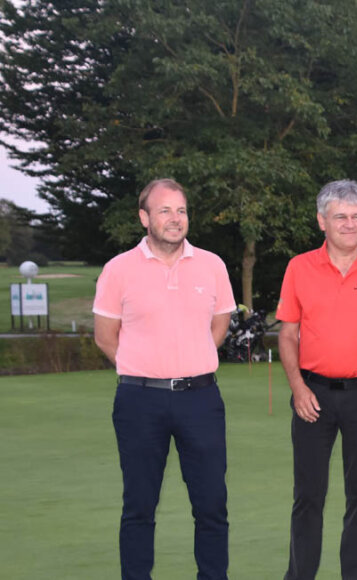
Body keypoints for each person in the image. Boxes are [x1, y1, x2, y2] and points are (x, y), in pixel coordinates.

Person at [93, 178, 236, 580]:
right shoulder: (118, 269)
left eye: (181, 210)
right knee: (139, 505)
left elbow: (219, 324)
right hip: (139, 401)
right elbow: (106, 338)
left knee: (211, 505)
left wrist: (189, 361)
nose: (175, 219)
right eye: (164, 211)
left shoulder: (212, 265)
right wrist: (146, 365)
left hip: (200, 400)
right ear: (144, 218)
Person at [276, 180, 357, 580]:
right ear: (322, 221)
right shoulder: (300, 267)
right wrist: (298, 387)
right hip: (312, 394)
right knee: (308, 497)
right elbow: (286, 333)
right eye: (340, 217)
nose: (350, 225)